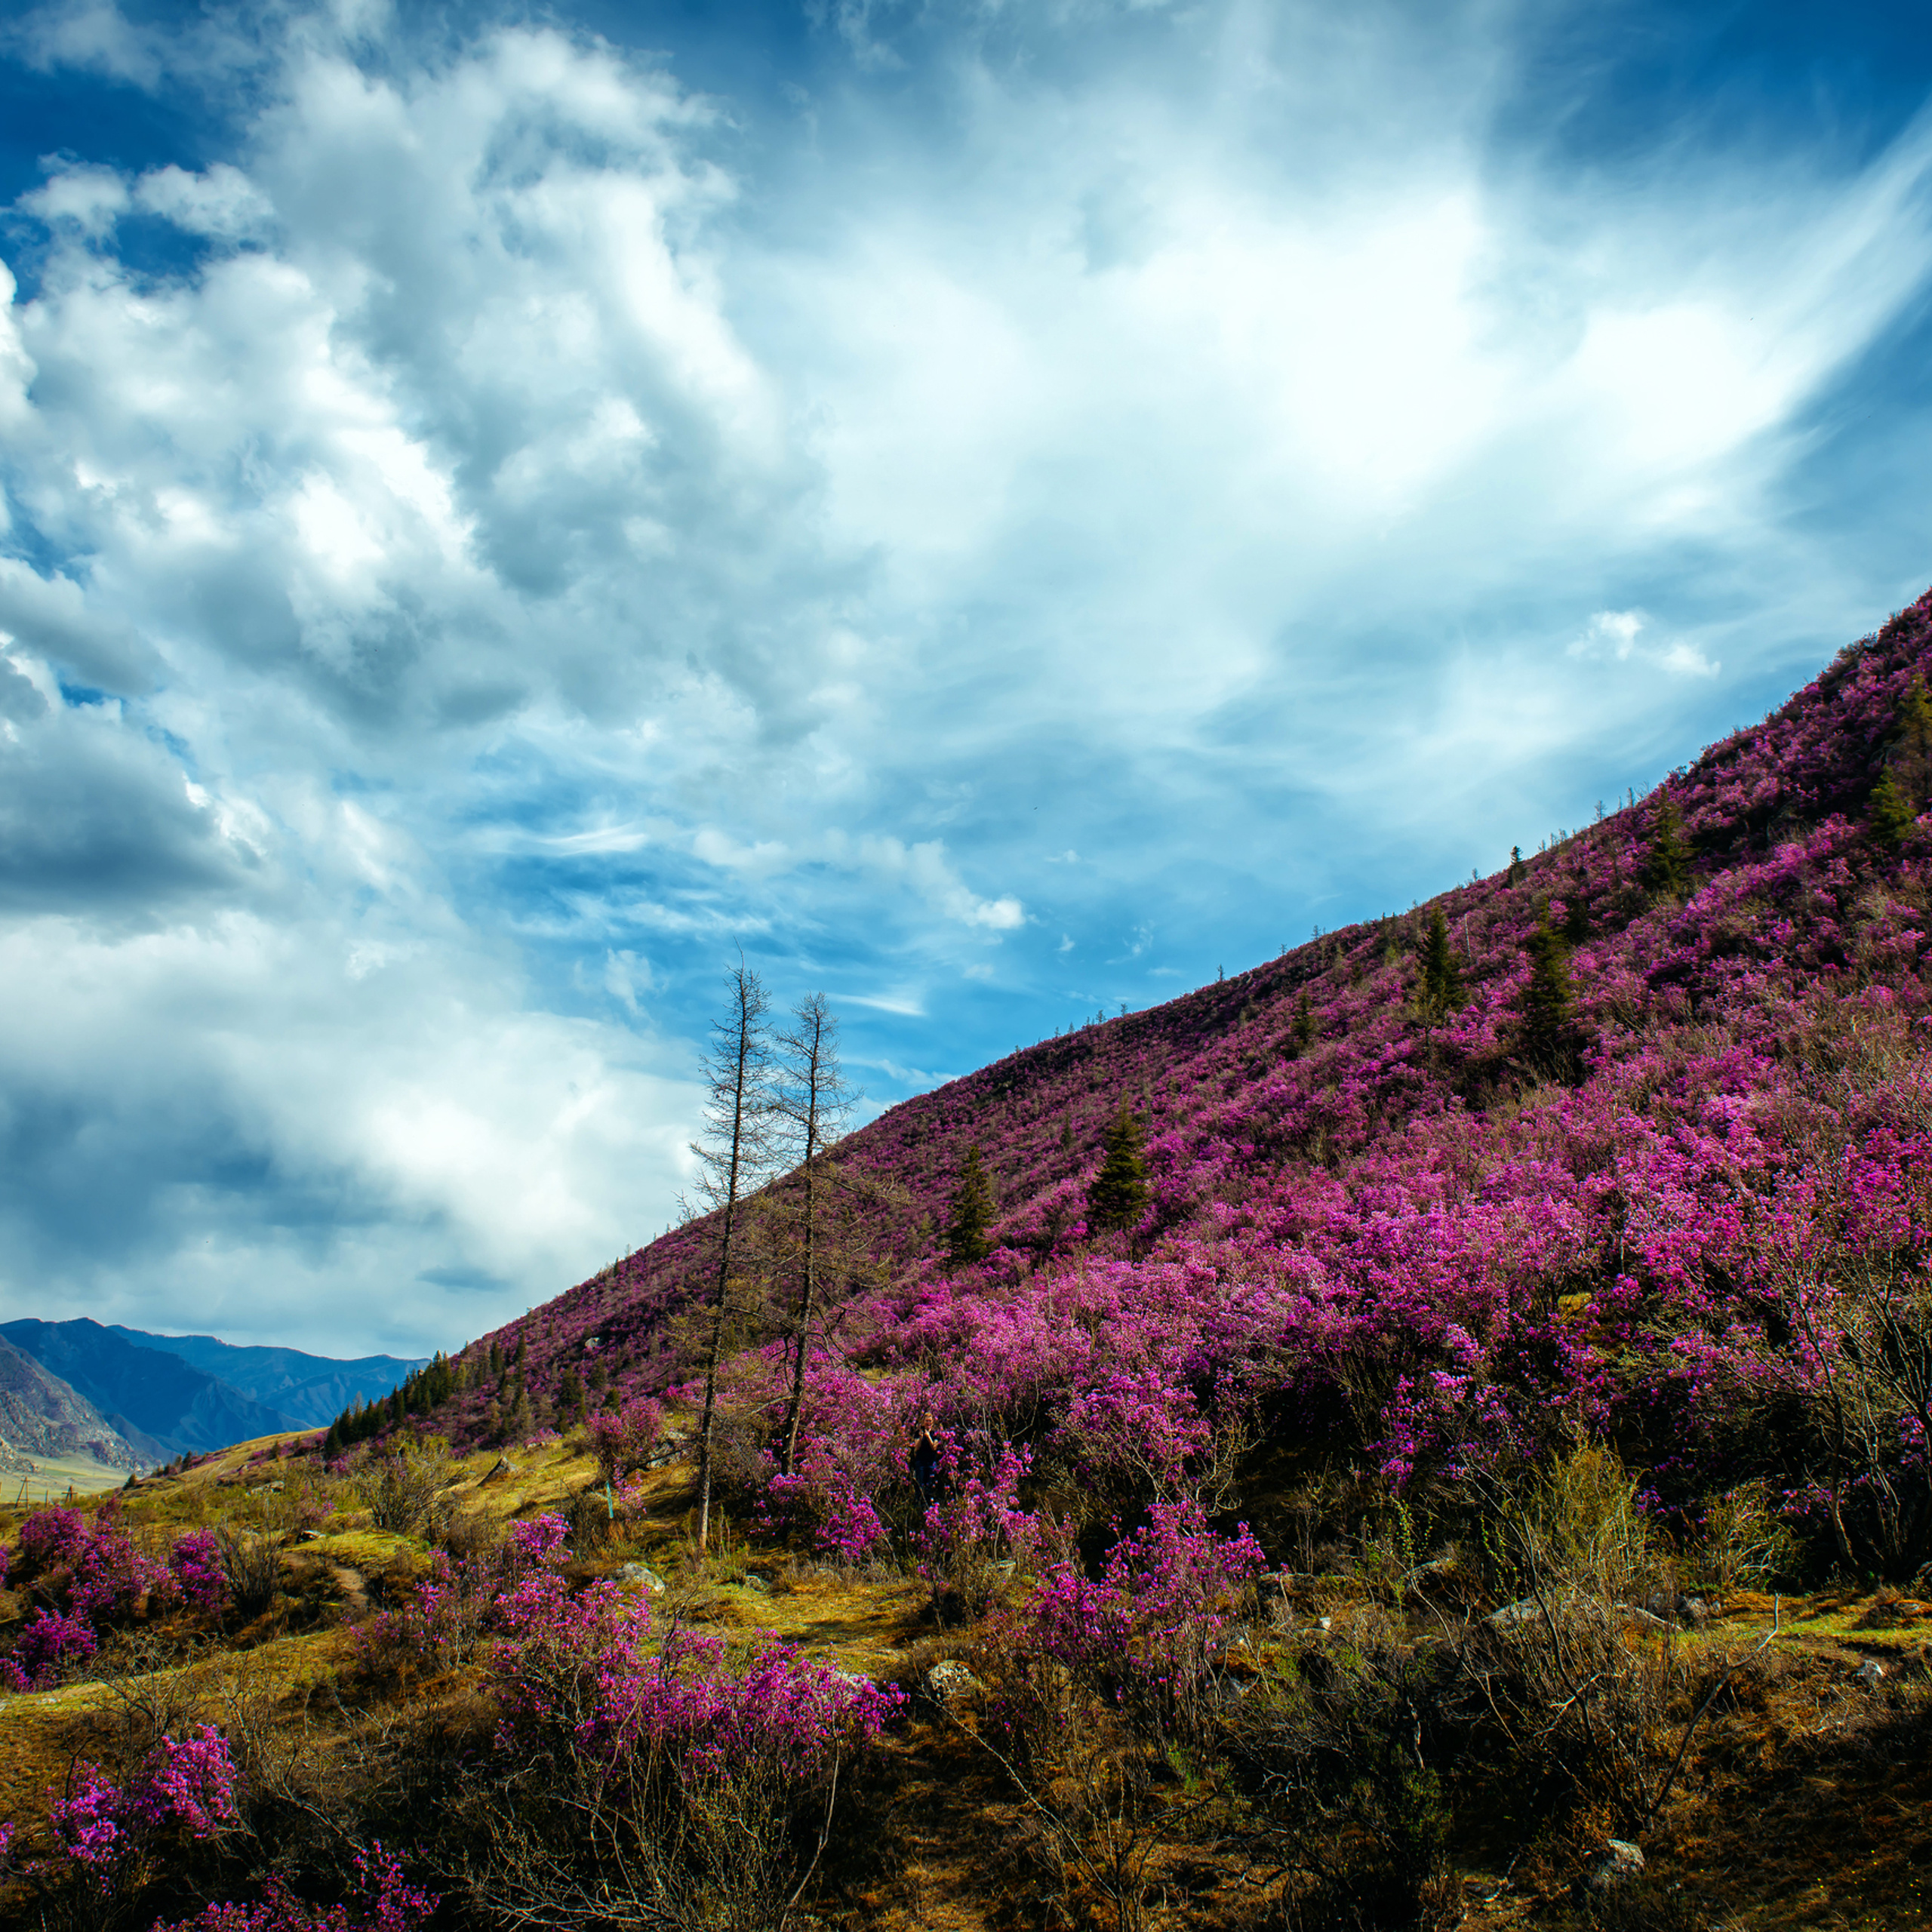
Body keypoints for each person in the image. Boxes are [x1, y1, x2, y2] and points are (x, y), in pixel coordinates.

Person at [909, 1417, 941, 1507]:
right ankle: (918, 1505)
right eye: (927, 1421)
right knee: (920, 1485)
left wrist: (928, 1437)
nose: (928, 1423)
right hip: (921, 1462)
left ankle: (929, 1506)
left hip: (931, 1462)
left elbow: (934, 1447)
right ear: (923, 1422)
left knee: (930, 1486)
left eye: (930, 1421)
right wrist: (922, 1438)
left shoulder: (935, 1434)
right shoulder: (918, 1433)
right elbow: (917, 1448)